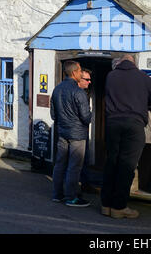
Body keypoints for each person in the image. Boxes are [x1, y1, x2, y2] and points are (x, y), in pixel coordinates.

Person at [101, 54, 151, 219]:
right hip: (133, 124)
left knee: (112, 162)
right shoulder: (143, 77)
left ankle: (106, 205)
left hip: (112, 123)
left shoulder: (111, 76)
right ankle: (119, 207)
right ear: (134, 62)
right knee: (127, 166)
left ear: (120, 62)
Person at [50, 60, 92, 207]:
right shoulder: (78, 92)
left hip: (62, 132)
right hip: (77, 135)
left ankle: (57, 195)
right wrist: (91, 114)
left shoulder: (57, 89)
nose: (81, 73)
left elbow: (53, 115)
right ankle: (71, 197)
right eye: (80, 70)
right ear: (74, 72)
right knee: (74, 167)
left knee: (60, 164)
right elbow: (86, 117)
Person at [78, 69, 98, 194]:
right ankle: (77, 190)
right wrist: (90, 116)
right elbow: (85, 117)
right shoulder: (80, 94)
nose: (90, 82)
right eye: (87, 79)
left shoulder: (61, 90)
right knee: (80, 160)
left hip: (68, 131)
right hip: (78, 132)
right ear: (79, 80)